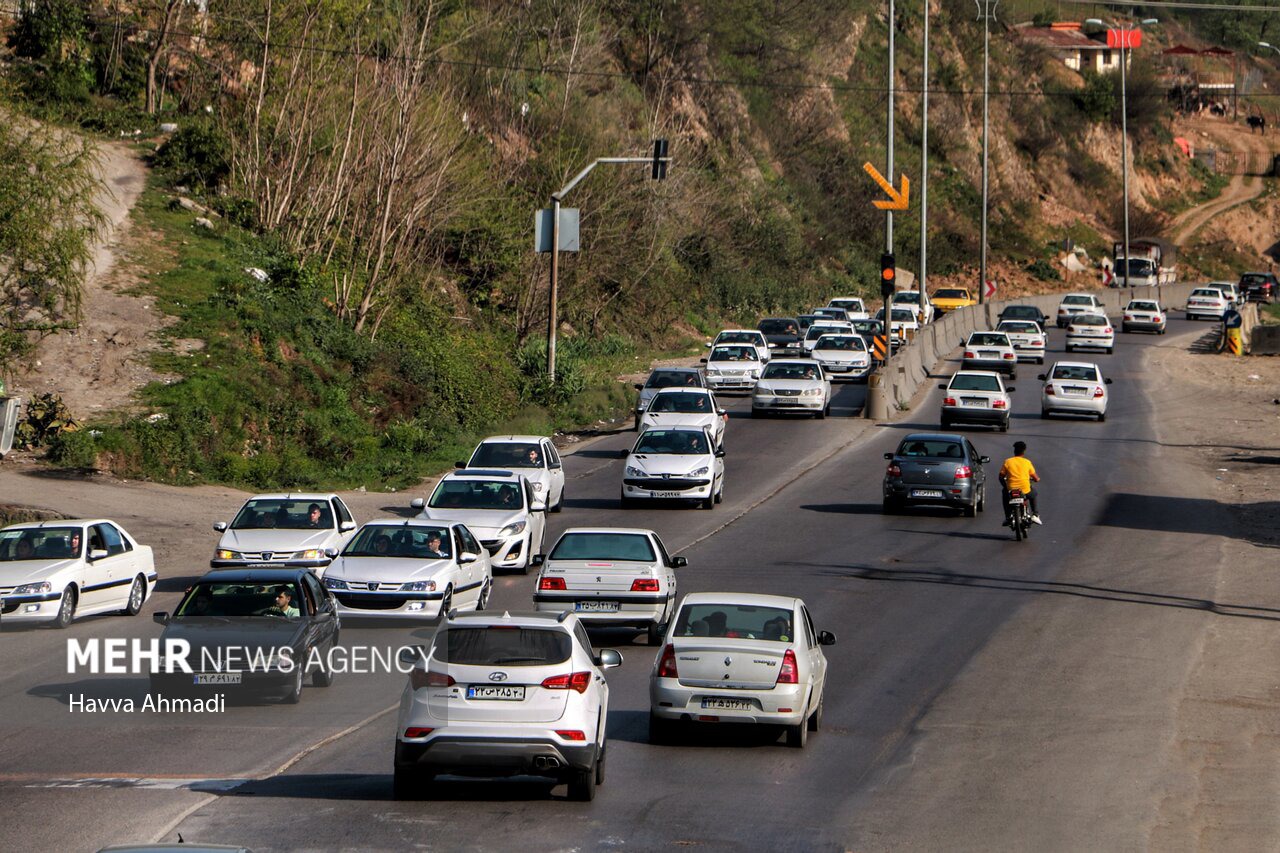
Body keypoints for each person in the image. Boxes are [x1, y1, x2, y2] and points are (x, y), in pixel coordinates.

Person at [999, 441, 1042, 526]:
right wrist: (1037, 479)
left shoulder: (1008, 461)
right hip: (1025, 490)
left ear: (1014, 451)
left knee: (1004, 496)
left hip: (1011, 489)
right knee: (1034, 494)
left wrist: (1006, 486)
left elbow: (1001, 477)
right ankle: (1035, 515)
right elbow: (1036, 478)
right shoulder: (1027, 462)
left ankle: (1008, 517)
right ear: (1024, 451)